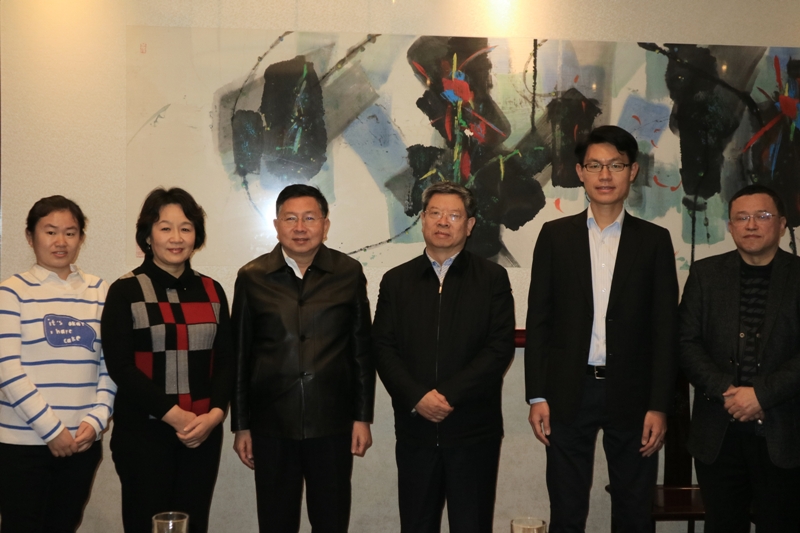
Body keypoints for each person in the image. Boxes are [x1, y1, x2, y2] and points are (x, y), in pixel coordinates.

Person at [525, 125, 679, 532]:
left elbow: (666, 331)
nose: (605, 175)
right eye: (595, 165)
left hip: (633, 392)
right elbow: (539, 321)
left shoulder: (654, 241)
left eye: (616, 165)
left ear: (633, 171)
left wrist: (659, 405)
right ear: (580, 172)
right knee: (567, 507)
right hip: (568, 389)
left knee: (634, 509)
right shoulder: (555, 236)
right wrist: (537, 395)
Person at [373, 181, 515, 533]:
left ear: (470, 225)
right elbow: (383, 348)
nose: (443, 221)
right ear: (422, 220)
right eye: (435, 213)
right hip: (416, 431)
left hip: (473, 431)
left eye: (454, 215)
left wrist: (449, 395)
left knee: (472, 525)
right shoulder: (396, 281)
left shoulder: (492, 278)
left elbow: (498, 348)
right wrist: (417, 396)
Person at [231, 184, 375, 533]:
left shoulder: (348, 272)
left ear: (325, 225)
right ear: (276, 225)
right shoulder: (252, 277)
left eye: (309, 218)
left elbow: (361, 350)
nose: (300, 228)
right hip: (271, 424)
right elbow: (239, 356)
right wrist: (241, 425)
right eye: (290, 219)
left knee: (331, 520)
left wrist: (362, 418)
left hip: (333, 423)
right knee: (276, 522)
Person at [101, 188, 232, 533]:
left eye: (186, 228)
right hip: (143, 435)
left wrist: (215, 416)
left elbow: (226, 361)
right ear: (147, 236)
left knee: (194, 523)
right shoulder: (125, 290)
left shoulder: (213, 290)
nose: (176, 237)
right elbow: (121, 367)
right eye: (165, 228)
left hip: (202, 434)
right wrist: (175, 415)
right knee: (146, 523)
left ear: (196, 236)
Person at [679, 184, 800, 532]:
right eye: (742, 218)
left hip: (784, 432)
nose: (751, 225)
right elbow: (686, 343)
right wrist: (729, 393)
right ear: (730, 227)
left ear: (781, 224)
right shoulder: (705, 275)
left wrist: (762, 395)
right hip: (718, 433)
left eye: (762, 216)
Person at [0, 196, 116, 532]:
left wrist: (97, 419)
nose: (60, 241)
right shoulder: (10, 292)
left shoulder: (100, 290)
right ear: (30, 236)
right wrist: (52, 430)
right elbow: (7, 369)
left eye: (70, 232)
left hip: (82, 441)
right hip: (22, 444)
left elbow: (111, 364)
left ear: (81, 238)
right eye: (50, 232)